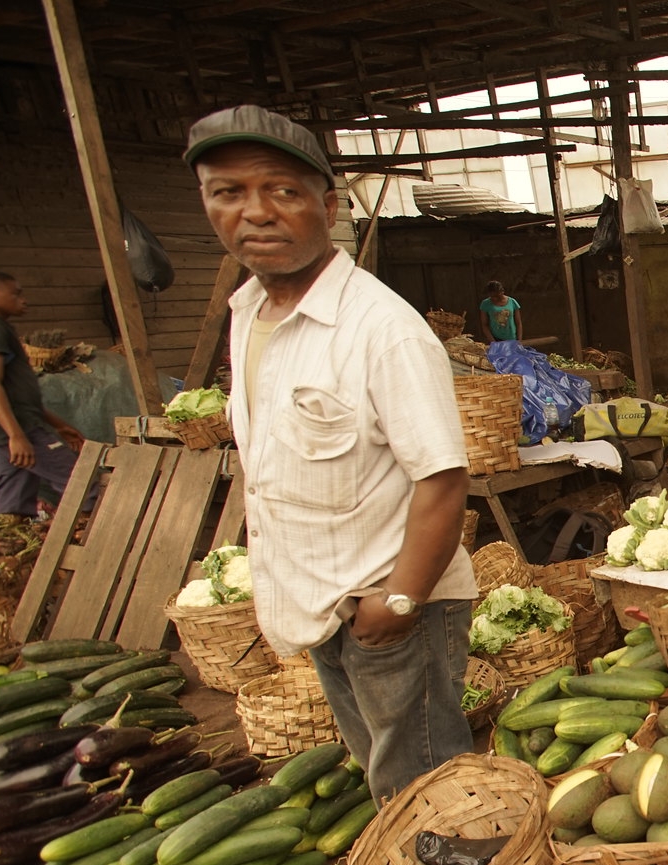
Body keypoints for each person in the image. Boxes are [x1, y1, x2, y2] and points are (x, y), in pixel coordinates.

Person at [186, 104, 476, 801]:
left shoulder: (382, 330)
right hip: (320, 604)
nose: (255, 213)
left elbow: (442, 480)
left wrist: (397, 603)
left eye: (281, 191)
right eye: (228, 192)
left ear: (327, 205)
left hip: (385, 604)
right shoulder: (248, 314)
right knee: (387, 774)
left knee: (426, 784)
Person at [0, 271, 86, 517]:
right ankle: (105, 543)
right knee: (80, 484)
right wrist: (16, 435)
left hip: (17, 426)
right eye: (15, 293)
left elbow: (16, 395)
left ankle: (12, 547)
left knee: (16, 498)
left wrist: (57, 424)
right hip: (18, 429)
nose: (23, 300)